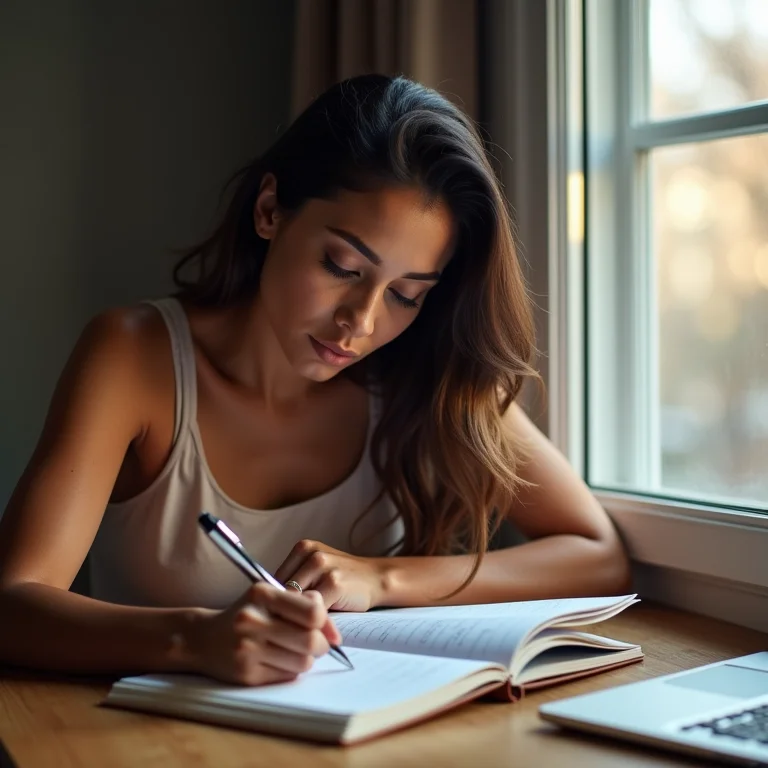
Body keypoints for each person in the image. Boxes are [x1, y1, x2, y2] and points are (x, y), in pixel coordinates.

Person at [0, 74, 630, 687]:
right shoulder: (133, 356)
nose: (362, 321)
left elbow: (596, 554)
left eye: (406, 295)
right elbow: (13, 603)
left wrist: (382, 578)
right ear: (270, 210)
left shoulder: (424, 372)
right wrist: (196, 639)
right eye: (342, 265)